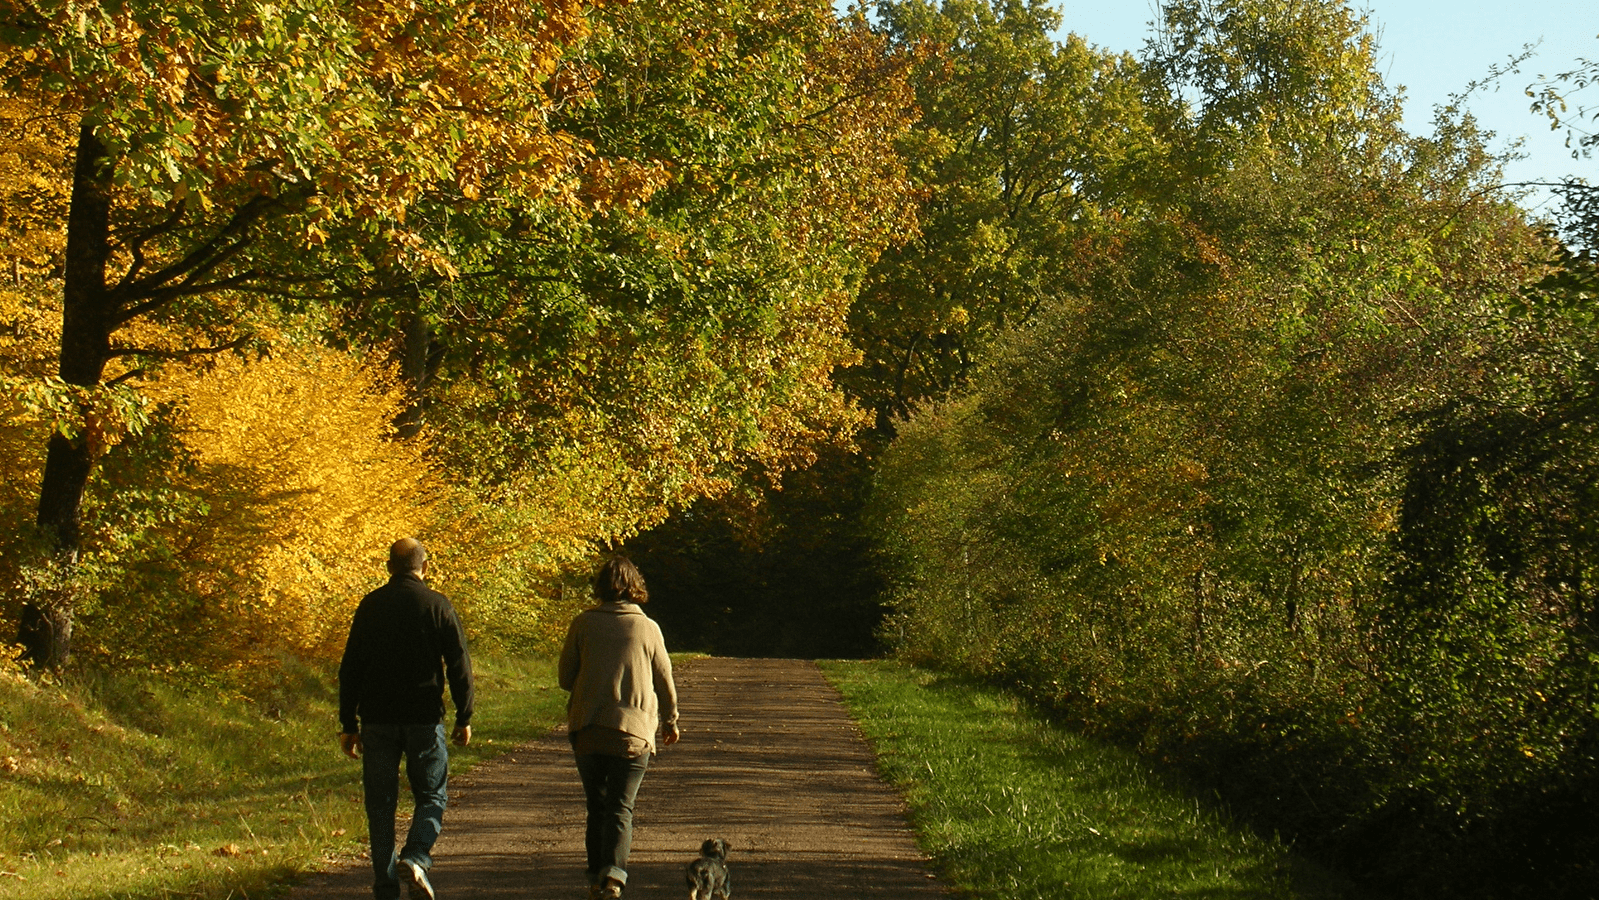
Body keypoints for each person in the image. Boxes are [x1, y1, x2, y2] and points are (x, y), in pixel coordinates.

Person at [339, 538, 474, 900]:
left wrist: (348, 723)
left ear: (388, 567)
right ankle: (415, 856)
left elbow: (350, 666)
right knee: (431, 794)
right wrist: (465, 715)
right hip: (424, 718)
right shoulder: (437, 604)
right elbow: (459, 664)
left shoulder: (370, 605)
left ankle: (385, 888)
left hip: (377, 720)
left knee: (380, 804)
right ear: (424, 567)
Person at [559, 555, 680, 900]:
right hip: (634, 731)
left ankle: (596, 876)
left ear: (600, 586)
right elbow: (664, 680)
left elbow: (565, 678)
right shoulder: (648, 628)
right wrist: (670, 720)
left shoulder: (582, 623)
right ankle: (613, 877)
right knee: (620, 807)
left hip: (588, 727)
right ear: (635, 586)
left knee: (595, 806)